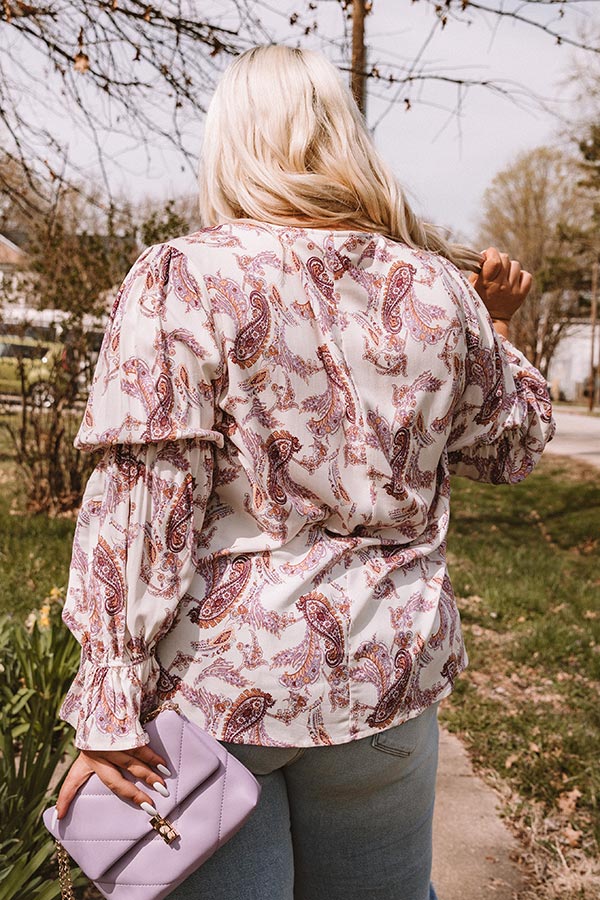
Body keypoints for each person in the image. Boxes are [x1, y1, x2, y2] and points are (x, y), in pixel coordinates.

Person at [54, 44, 555, 900]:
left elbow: (143, 504)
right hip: (385, 681)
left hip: (220, 690)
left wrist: (109, 697)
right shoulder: (438, 286)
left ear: (233, 142)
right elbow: (511, 445)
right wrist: (497, 326)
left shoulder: (185, 277)